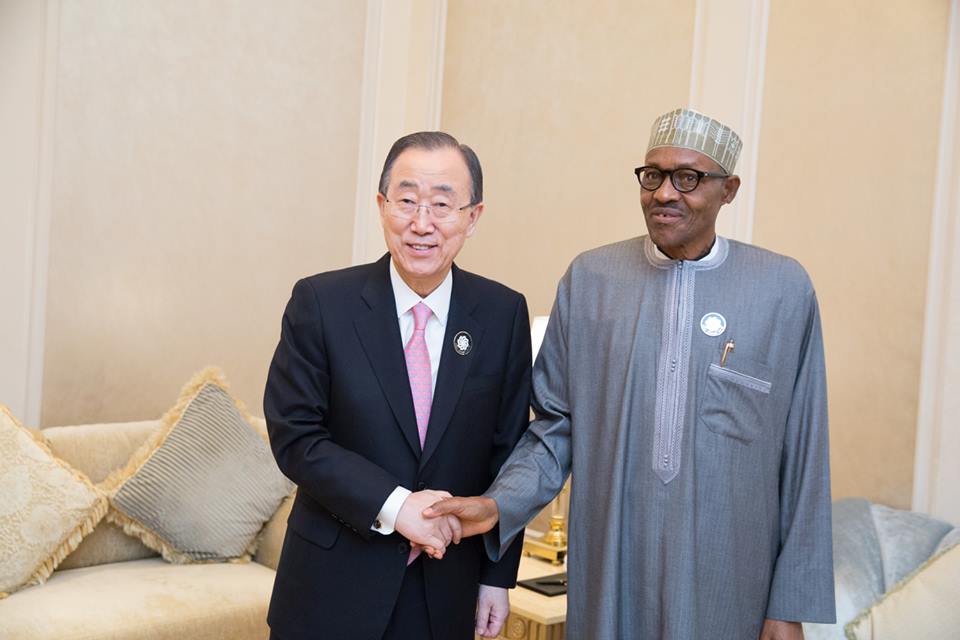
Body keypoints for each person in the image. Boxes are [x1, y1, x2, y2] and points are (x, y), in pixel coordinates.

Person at [426, 108, 836, 639]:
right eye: (652, 175)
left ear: (728, 190)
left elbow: (804, 459)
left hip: (728, 580)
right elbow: (554, 428)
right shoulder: (591, 280)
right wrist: (499, 502)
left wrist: (788, 605)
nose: (665, 192)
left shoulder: (782, 290)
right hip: (611, 569)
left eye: (688, 178)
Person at [263, 131, 531, 640]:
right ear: (383, 206)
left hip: (446, 587)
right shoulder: (321, 303)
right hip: (332, 587)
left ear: (472, 217)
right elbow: (297, 437)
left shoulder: (503, 313)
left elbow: (509, 452)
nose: (421, 223)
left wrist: (497, 577)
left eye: (442, 205)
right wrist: (396, 504)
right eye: (406, 201)